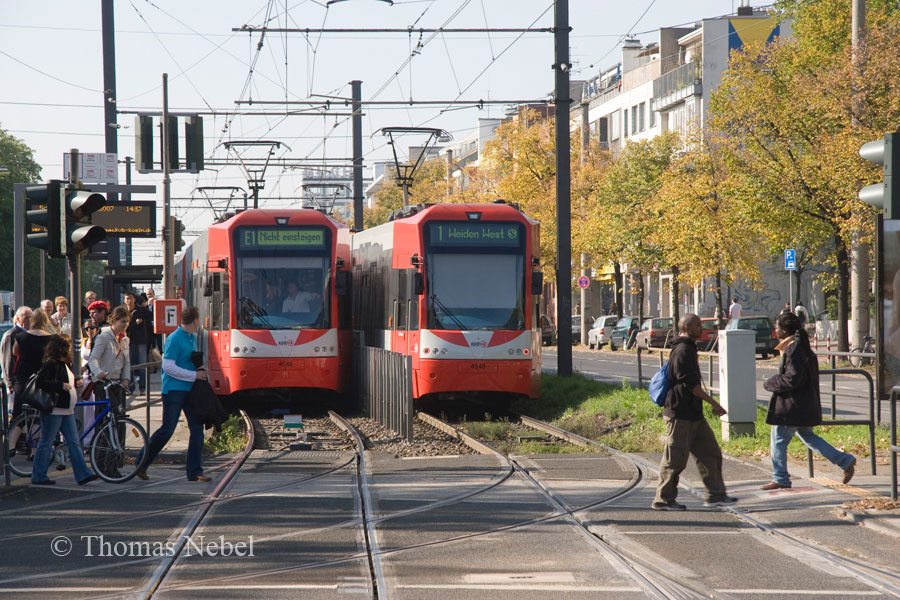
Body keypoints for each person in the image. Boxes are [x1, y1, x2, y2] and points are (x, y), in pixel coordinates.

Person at [762, 312, 856, 489]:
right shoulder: (800, 347)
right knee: (809, 437)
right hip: (804, 405)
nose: (775, 332)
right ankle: (845, 461)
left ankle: (780, 477)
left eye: (777, 328)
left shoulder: (793, 349)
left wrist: (771, 382)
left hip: (792, 407)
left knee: (778, 440)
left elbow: (793, 379)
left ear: (783, 330)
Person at [653, 314, 737, 510]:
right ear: (687, 328)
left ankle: (716, 495)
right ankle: (663, 499)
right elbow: (691, 385)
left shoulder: (689, 348)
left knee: (711, 453)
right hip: (679, 413)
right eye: (698, 325)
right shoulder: (683, 350)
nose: (701, 328)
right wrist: (714, 404)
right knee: (675, 459)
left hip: (693, 414)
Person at [136, 306, 210, 482]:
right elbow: (168, 366)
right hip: (174, 390)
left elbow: (185, 361)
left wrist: (198, 369)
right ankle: (141, 462)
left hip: (189, 389)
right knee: (167, 429)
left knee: (197, 429)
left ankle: (195, 471)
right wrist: (194, 375)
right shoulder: (175, 338)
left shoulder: (191, 337)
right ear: (195, 320)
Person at [30, 334, 99, 486]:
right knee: (47, 442)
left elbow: (67, 380)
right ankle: (38, 475)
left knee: (72, 442)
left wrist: (76, 382)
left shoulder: (62, 363)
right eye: (69, 346)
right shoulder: (52, 364)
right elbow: (41, 382)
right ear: (62, 348)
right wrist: (60, 386)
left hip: (65, 409)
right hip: (55, 409)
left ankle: (82, 474)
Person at [8, 309, 54, 457]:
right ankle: (33, 451)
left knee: (18, 415)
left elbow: (15, 353)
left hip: (23, 381)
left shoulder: (21, 337)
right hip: (41, 381)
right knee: (37, 416)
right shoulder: (51, 339)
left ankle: (10, 446)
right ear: (45, 321)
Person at [87, 305, 131, 406]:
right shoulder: (103, 337)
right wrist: (98, 372)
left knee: (118, 417)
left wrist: (126, 379)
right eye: (123, 321)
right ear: (114, 320)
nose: (126, 324)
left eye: (127, 321)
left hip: (117, 383)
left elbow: (127, 362)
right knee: (104, 417)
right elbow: (93, 358)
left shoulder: (125, 339)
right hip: (103, 383)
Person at [3, 306, 32, 455]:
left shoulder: (27, 334)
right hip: (16, 381)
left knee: (25, 413)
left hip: (26, 381)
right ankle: (10, 446)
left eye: (31, 317)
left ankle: (21, 444)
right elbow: (8, 360)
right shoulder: (12, 335)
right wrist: (9, 382)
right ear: (19, 319)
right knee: (16, 414)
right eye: (26, 317)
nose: (29, 320)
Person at [124, 291, 153, 394]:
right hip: (128, 342)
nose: (129, 300)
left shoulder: (141, 310)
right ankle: (130, 388)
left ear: (134, 299)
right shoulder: (124, 312)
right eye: (127, 298)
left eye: (131, 298)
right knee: (130, 366)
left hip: (141, 341)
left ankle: (142, 388)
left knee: (142, 365)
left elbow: (151, 317)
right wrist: (134, 324)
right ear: (124, 300)